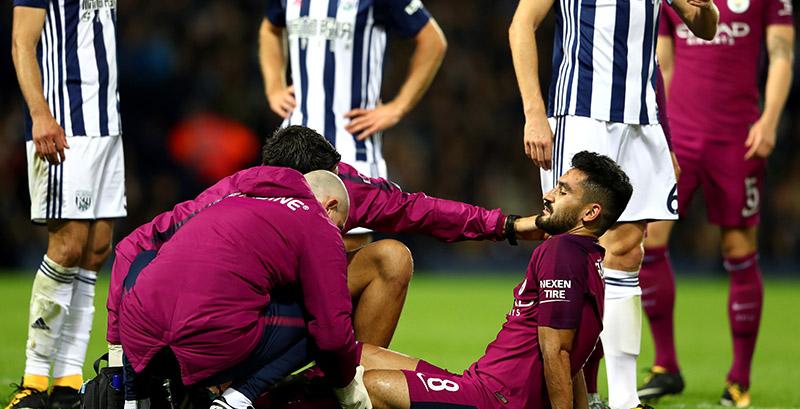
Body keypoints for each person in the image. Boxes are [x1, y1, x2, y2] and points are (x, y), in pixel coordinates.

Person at [252, 151, 631, 409]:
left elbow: (558, 352)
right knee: (356, 354)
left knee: (356, 382)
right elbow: (576, 355)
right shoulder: (590, 259)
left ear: (590, 212)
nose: (549, 195)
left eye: (563, 191)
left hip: (493, 406)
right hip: (478, 387)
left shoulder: (560, 251)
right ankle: (252, 400)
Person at [105, 125, 542, 365]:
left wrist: (119, 347)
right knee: (354, 290)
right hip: (241, 315)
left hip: (232, 313)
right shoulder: (272, 190)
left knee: (390, 257)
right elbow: (420, 210)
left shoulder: (233, 190)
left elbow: (421, 212)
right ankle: (311, 386)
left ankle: (343, 385)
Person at [508, 0, 719, 409]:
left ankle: (624, 403)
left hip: (641, 118)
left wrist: (708, 7)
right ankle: (547, 398)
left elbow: (704, 27)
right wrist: (533, 112)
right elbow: (521, 25)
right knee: (566, 253)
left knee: (627, 251)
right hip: (582, 112)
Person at [118, 169, 370, 409]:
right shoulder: (317, 220)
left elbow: (138, 259)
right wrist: (346, 389)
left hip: (142, 349)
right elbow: (331, 332)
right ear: (330, 205)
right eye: (339, 226)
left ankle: (135, 407)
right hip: (205, 344)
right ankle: (238, 402)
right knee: (319, 317)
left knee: (149, 272)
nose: (338, 236)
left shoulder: (230, 198)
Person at [638, 0, 795, 406]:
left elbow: (781, 54)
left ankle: (739, 379)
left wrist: (770, 120)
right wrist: (660, 133)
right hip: (682, 138)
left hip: (737, 139)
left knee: (739, 247)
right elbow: (664, 65)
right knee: (649, 239)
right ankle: (666, 365)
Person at [5, 0, 126, 409]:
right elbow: (22, 43)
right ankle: (34, 380)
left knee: (95, 252)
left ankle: (68, 381)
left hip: (107, 125)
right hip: (63, 123)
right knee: (67, 247)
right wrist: (39, 114)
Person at [259, 0, 447, 248]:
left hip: (351, 143)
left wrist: (398, 107)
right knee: (281, 244)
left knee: (347, 249)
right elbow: (270, 28)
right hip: (293, 145)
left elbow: (432, 40)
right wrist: (274, 86)